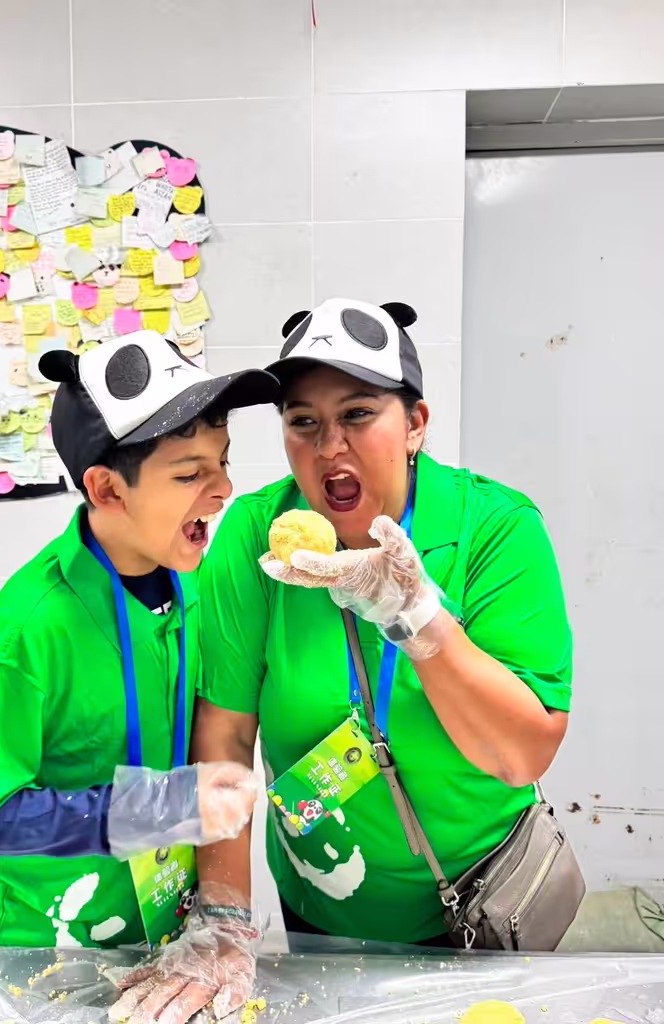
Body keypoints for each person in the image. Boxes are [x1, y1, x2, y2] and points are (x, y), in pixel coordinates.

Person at [116, 298, 574, 1024]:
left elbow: (521, 755)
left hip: (487, 908)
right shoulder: (255, 541)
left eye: (358, 414)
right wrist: (225, 919)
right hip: (327, 909)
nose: (330, 447)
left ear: (416, 424)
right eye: (304, 422)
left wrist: (418, 619)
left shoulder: (495, 530)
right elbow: (227, 734)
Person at [0, 330, 279, 949]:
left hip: (159, 940)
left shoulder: (190, 586)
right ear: (107, 489)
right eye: (191, 473)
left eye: (224, 463)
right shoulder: (30, 628)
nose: (223, 491)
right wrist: (145, 810)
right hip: (40, 956)